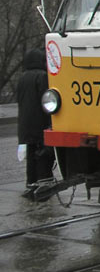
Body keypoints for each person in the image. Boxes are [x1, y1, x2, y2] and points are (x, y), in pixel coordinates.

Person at [17, 48, 54, 199]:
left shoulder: (22, 77)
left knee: (31, 154)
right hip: (40, 122)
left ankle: (30, 183)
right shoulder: (42, 76)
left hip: (25, 124)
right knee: (43, 154)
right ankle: (44, 183)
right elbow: (47, 101)